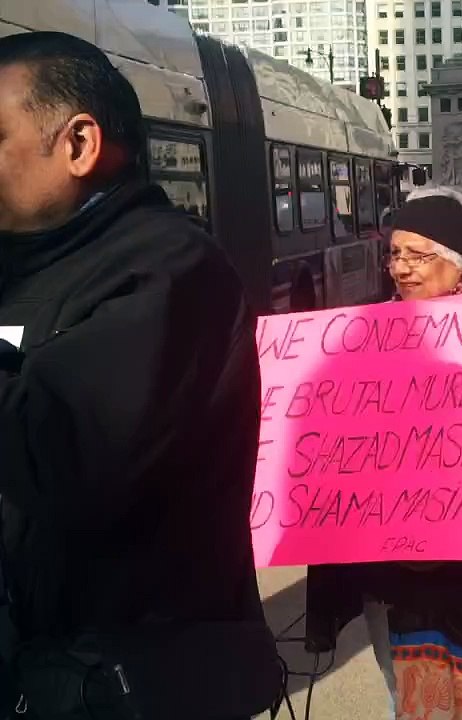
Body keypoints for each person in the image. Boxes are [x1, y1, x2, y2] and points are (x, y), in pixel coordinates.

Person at [0, 32, 278, 718]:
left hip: (121, 682)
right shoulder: (31, 265)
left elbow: (58, 455)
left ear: (78, 144)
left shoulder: (170, 273)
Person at [304, 187, 462, 718]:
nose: (402, 268)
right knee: (411, 699)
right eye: (395, 253)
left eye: (420, 255)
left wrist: (459, 531)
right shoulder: (363, 334)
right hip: (391, 576)